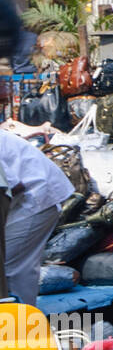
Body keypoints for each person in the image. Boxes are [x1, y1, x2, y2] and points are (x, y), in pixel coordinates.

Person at [0, 130, 73, 305]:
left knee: (13, 268)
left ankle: (23, 324)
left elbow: (14, 186)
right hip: (25, 196)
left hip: (35, 197)